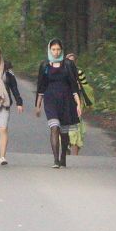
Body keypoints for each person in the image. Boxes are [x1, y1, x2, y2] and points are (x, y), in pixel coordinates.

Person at [36, 40, 86, 168]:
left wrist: (78, 104)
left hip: (66, 100)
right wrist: (38, 105)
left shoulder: (68, 64)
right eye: (53, 49)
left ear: (62, 50)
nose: (56, 52)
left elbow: (74, 86)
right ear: (49, 50)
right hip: (50, 99)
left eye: (58, 49)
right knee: (54, 127)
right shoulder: (45, 65)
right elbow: (41, 86)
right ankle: (55, 160)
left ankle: (63, 155)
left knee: (64, 132)